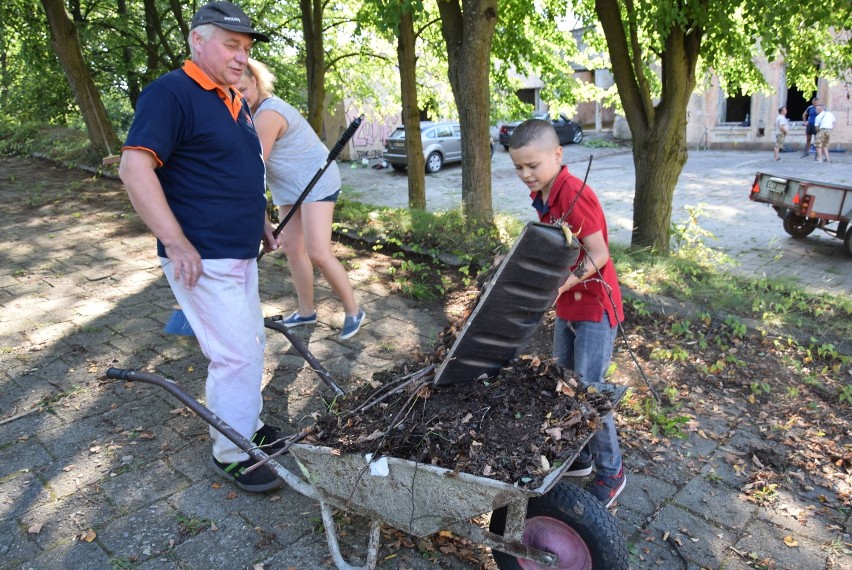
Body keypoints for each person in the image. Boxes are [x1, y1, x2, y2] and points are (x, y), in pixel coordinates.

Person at [118, 1, 285, 493]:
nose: (241, 57)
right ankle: (232, 453)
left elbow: (237, 171)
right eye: (231, 45)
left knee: (249, 343)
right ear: (197, 41)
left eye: (246, 48)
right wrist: (176, 242)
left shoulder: (232, 101)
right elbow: (134, 168)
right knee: (234, 354)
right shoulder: (171, 93)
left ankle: (247, 427)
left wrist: (259, 219)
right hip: (203, 256)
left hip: (239, 250)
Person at [508, 119, 626, 507]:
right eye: (519, 167)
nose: (526, 174)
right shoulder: (545, 194)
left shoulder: (574, 193)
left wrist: (557, 286)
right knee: (566, 381)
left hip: (594, 309)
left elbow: (598, 253)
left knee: (591, 392)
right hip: (568, 307)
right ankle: (584, 457)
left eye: (533, 166)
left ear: (557, 155)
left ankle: (612, 473)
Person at [236, 59, 365, 340]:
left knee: (318, 252)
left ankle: (354, 311)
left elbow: (252, 171)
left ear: (255, 82)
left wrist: (262, 220)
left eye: (243, 89)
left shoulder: (266, 116)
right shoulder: (248, 115)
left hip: (316, 182)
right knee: (294, 249)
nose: (239, 96)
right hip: (291, 186)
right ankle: (306, 312)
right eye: (232, 92)